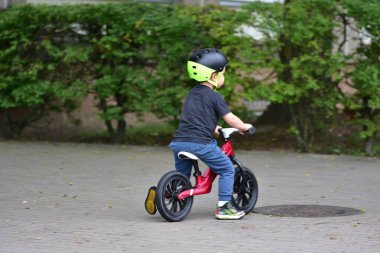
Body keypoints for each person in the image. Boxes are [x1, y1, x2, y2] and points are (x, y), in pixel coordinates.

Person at [168, 48, 253, 220]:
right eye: (223, 73)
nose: (224, 77)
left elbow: (196, 118)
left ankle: (168, 195)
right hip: (200, 144)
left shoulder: (191, 95)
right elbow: (230, 119)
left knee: (182, 176)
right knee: (228, 169)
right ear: (213, 76)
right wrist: (244, 126)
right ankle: (224, 208)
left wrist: (214, 128)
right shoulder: (215, 97)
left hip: (179, 143)